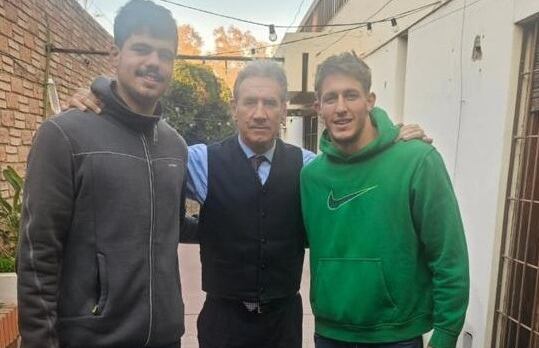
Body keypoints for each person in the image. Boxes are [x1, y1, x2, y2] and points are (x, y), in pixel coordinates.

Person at [68, 60, 430, 348]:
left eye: (270, 103)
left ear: (283, 109)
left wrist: (393, 139)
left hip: (283, 324)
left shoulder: (308, 167)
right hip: (223, 324)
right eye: (250, 102)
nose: (260, 113)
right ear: (234, 107)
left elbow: (359, 169)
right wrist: (104, 101)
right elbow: (141, 150)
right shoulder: (198, 160)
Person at [16, 1, 188, 347]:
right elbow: (38, 257)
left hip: (164, 339)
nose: (153, 62)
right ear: (115, 53)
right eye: (141, 49)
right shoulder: (64, 136)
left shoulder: (176, 147)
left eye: (164, 54)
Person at [300, 52, 469, 348]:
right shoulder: (311, 176)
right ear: (318, 107)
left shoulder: (417, 160)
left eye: (351, 95)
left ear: (370, 100)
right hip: (330, 336)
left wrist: (446, 333)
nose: (341, 107)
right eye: (331, 98)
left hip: (396, 337)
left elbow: (448, 255)